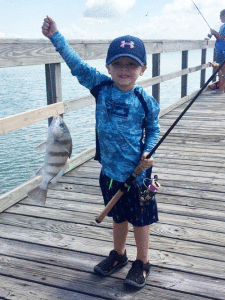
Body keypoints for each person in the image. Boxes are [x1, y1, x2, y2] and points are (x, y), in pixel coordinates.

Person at [42, 16, 160, 289]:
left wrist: (148, 152)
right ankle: (118, 255)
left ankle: (142, 262)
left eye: (131, 64)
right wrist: (56, 37)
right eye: (118, 63)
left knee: (140, 221)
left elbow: (153, 129)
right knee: (118, 217)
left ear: (142, 68)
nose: (124, 69)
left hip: (139, 174)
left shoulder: (145, 100)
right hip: (109, 172)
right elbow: (77, 66)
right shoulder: (101, 87)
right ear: (108, 66)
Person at [209, 9, 225, 92]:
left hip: (223, 51)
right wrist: (214, 34)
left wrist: (216, 32)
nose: (220, 18)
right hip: (219, 50)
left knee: (221, 70)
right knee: (220, 70)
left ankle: (221, 88)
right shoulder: (222, 26)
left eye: (221, 16)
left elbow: (224, 38)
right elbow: (220, 38)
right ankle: (221, 87)